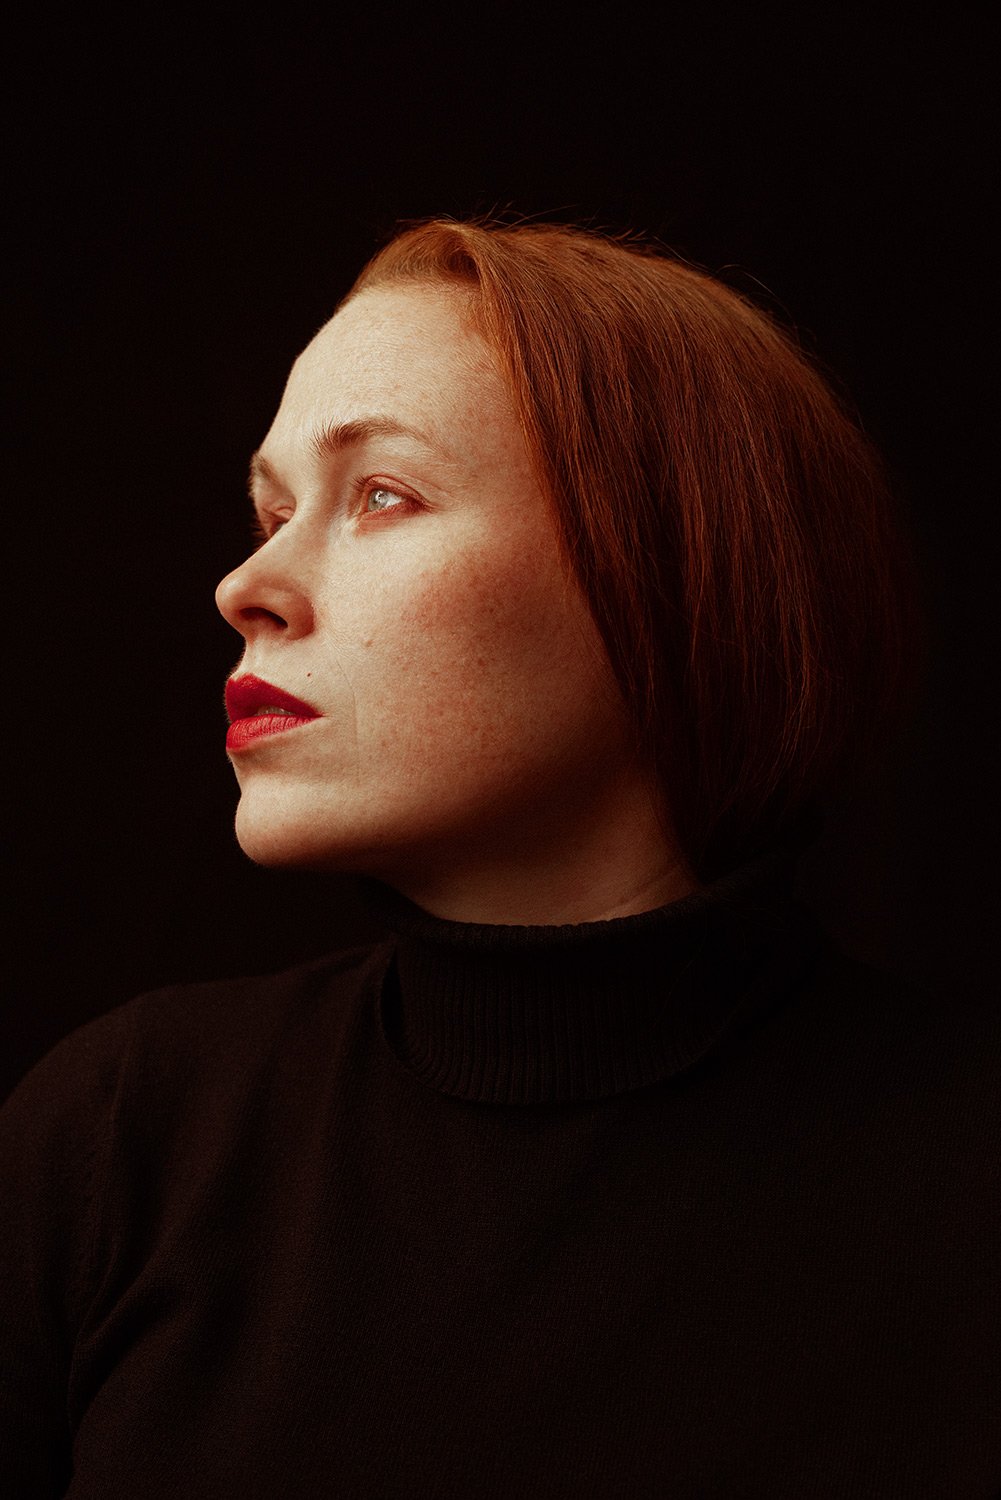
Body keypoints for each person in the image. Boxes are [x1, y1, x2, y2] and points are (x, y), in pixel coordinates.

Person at [1, 219, 996, 1497]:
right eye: (270, 509)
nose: (247, 585)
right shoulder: (122, 1139)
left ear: (675, 572)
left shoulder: (962, 1189)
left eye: (381, 496)